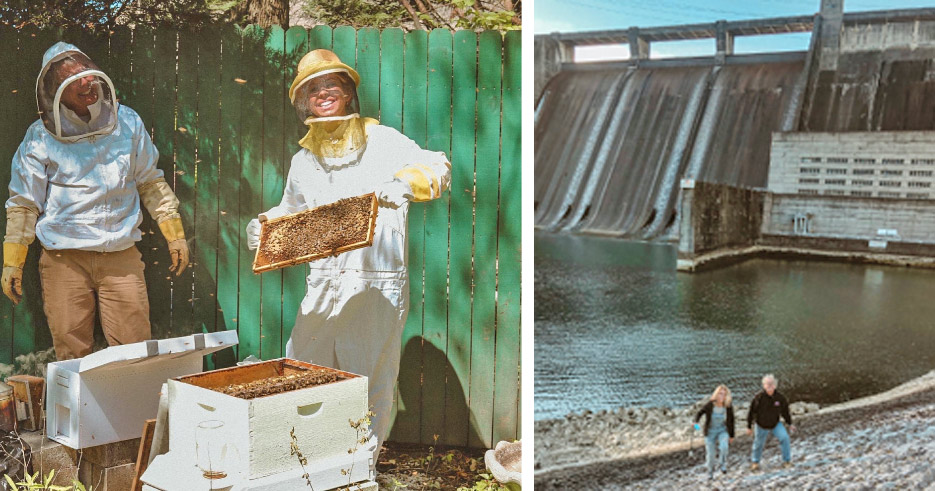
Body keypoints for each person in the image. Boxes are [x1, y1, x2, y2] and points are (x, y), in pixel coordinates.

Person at [246, 49, 450, 468]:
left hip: (376, 281)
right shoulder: (303, 159)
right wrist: (266, 225)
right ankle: (310, 464)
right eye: (314, 87)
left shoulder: (383, 140)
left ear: (348, 92)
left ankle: (358, 469)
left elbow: (437, 166)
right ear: (303, 99)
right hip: (323, 280)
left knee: (368, 378)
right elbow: (293, 210)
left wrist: (407, 183)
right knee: (307, 368)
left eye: (332, 84)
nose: (324, 92)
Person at [3, 42, 189, 360]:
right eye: (73, 81)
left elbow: (150, 181)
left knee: (134, 354)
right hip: (64, 261)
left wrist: (176, 235)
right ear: (55, 92)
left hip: (121, 256)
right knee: (72, 357)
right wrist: (12, 260)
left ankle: (131, 412)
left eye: (87, 76)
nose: (86, 85)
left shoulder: (127, 122)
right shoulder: (39, 136)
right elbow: (24, 203)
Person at [746, 374, 795, 470]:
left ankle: (787, 461)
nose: (770, 386)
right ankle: (755, 462)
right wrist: (749, 426)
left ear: (775, 385)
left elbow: (785, 412)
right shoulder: (758, 398)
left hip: (775, 424)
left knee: (784, 438)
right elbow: (751, 412)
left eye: (772, 384)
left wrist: (790, 424)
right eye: (767, 384)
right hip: (761, 425)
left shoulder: (780, 398)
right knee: (758, 444)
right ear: (764, 385)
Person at [694, 384, 735, 479]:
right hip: (710, 432)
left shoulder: (728, 406)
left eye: (724, 394)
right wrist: (695, 423)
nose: (722, 396)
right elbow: (699, 413)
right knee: (711, 454)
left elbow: (731, 421)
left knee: (724, 447)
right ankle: (710, 472)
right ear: (716, 394)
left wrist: (732, 435)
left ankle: (722, 464)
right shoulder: (710, 405)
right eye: (720, 394)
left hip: (722, 431)